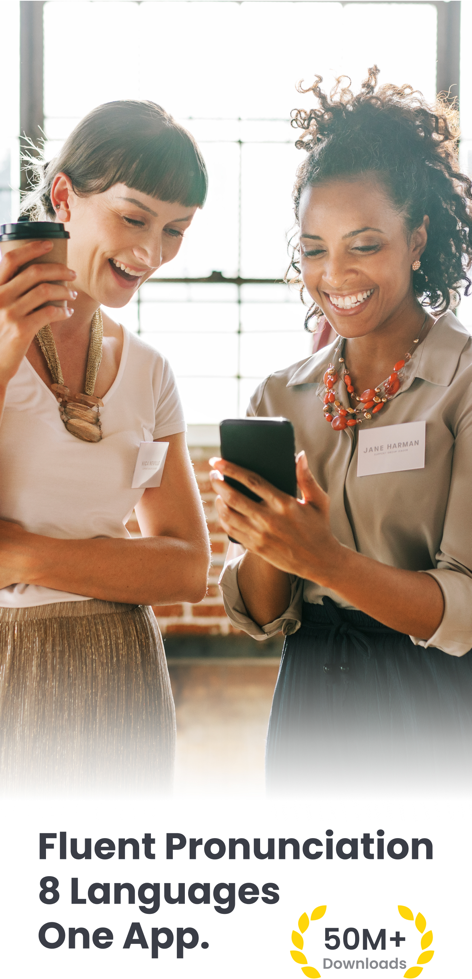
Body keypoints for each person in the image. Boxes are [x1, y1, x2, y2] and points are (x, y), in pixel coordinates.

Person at [210, 68, 472, 795]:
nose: (336, 274)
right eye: (314, 248)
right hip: (310, 703)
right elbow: (262, 614)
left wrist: (322, 558)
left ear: (418, 238)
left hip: (434, 706)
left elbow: (466, 610)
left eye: (364, 245)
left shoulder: (465, 386)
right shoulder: (279, 396)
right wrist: (269, 542)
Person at [0, 100, 211, 793]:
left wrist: (24, 555)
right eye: (134, 217)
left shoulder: (150, 371)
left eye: (176, 229)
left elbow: (184, 569)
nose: (151, 253)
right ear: (64, 196)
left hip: (120, 671)